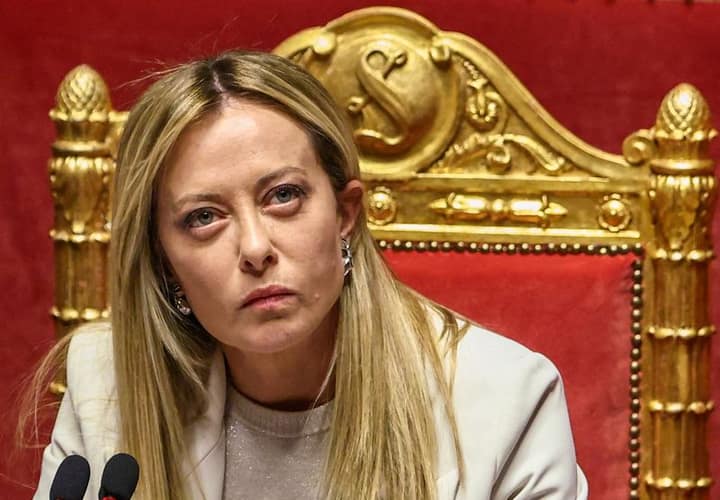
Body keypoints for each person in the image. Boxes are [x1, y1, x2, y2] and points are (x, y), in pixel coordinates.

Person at [31, 50, 588, 499]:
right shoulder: (104, 384)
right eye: (203, 217)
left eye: (283, 196)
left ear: (345, 214)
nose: (255, 248)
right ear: (163, 259)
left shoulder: (505, 399)